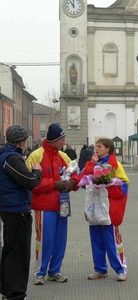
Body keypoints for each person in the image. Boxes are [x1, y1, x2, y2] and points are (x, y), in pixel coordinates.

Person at [25, 123, 80, 286]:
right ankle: (39, 273)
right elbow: (30, 182)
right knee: (44, 240)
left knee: (60, 240)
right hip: (44, 206)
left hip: (62, 205)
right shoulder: (36, 156)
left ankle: (55, 271)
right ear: (53, 139)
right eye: (61, 139)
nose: (64, 142)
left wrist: (72, 184)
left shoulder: (64, 156)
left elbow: (75, 173)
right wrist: (54, 184)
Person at [0, 125, 42, 300]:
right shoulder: (11, 157)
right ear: (23, 141)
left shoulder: (7, 155)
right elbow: (30, 181)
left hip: (10, 209)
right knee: (19, 255)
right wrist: (37, 171)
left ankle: (8, 289)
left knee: (10, 252)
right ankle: (16, 293)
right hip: (16, 211)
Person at [79, 138, 130, 281]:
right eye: (96, 146)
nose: (96, 149)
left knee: (112, 241)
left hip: (109, 210)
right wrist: (91, 164)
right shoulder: (93, 162)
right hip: (94, 208)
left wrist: (107, 185)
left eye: (99, 146)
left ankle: (121, 269)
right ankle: (100, 269)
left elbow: (124, 187)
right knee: (96, 240)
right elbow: (81, 180)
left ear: (108, 149)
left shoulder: (115, 165)